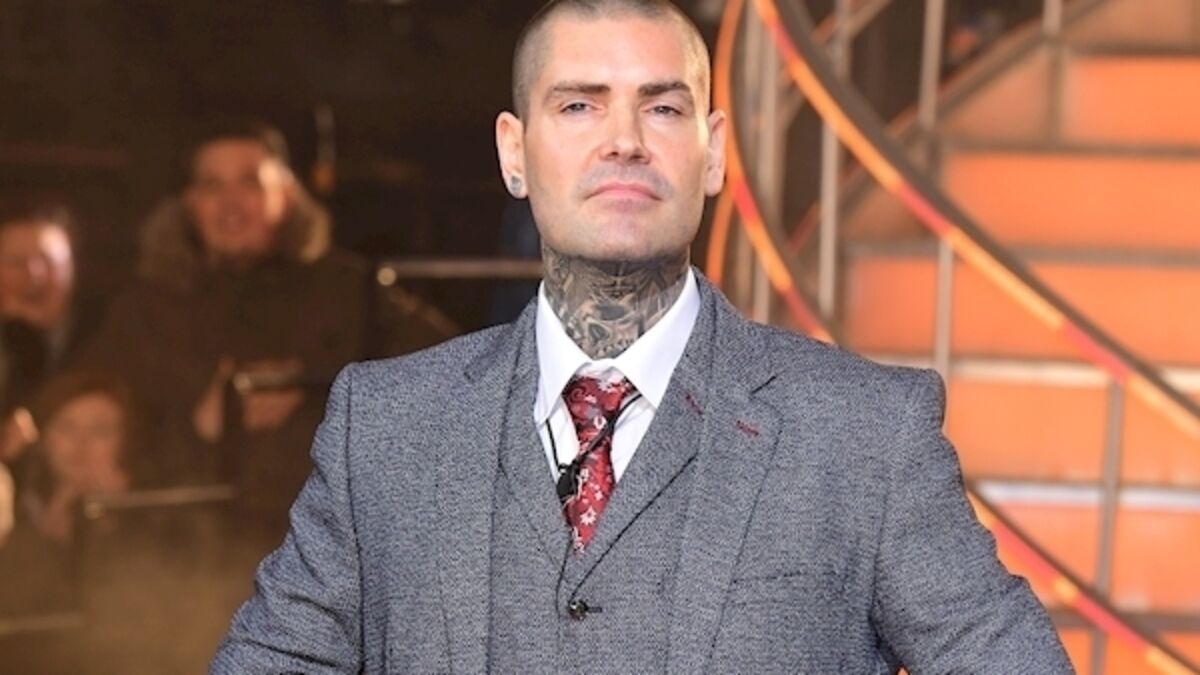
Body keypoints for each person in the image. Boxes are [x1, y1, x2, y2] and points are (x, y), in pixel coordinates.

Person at [213, 1, 1072, 672]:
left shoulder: (864, 436)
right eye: (578, 105)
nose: (623, 140)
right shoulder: (385, 427)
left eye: (662, 108)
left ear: (713, 151)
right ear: (514, 152)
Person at [77, 120, 456, 548]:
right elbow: (95, 430)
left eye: (250, 183)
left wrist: (317, 386)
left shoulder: (351, 290)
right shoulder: (144, 310)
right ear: (190, 204)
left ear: (287, 194)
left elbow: (456, 369)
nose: (230, 202)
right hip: (186, 551)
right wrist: (204, 426)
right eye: (212, 185)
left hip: (332, 547)